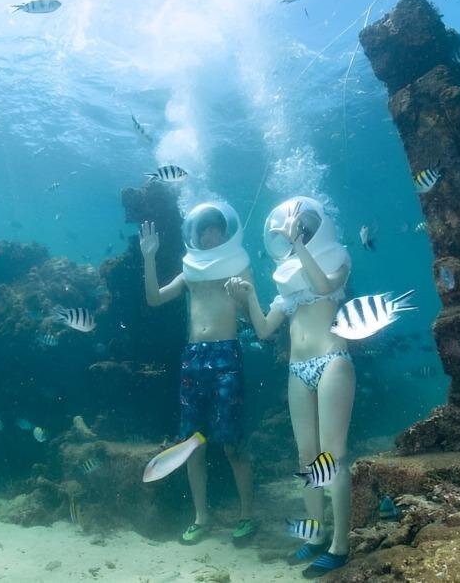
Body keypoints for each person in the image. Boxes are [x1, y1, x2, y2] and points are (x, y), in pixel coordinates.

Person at [226, 197, 355, 578]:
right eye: (293, 233)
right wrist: (248, 297)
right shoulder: (288, 283)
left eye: (302, 231)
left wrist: (298, 245)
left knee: (333, 456)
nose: (295, 235)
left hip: (333, 361)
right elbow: (265, 329)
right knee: (306, 458)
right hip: (298, 369)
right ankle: (316, 535)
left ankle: (340, 545)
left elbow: (324, 285)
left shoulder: (338, 260)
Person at [140, 201, 257, 546]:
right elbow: (154, 298)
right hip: (193, 356)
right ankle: (200, 518)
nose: (210, 236)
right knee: (193, 444)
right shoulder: (189, 270)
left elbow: (252, 315)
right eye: (205, 231)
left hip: (226, 354)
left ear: (225, 233)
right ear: (196, 234)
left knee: (233, 444)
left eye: (216, 230)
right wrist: (149, 257)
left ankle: (247, 515)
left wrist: (241, 296)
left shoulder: (239, 266)